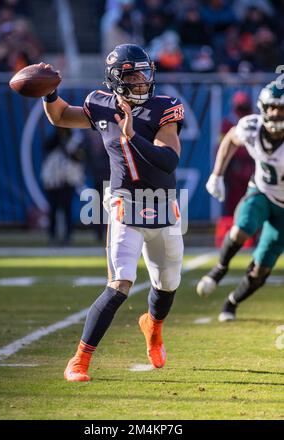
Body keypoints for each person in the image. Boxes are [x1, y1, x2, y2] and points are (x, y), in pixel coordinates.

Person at [41, 43, 184, 381]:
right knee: (119, 283)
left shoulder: (164, 107)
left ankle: (152, 325)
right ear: (116, 80)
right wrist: (50, 93)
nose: (141, 82)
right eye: (133, 75)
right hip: (124, 203)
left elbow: (169, 160)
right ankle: (79, 360)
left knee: (166, 285)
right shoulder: (100, 104)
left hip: (163, 205)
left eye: (144, 73)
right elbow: (61, 116)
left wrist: (132, 135)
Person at [196, 81, 284, 322]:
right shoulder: (251, 127)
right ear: (263, 108)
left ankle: (231, 302)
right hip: (262, 193)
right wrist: (217, 174)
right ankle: (219, 269)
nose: (277, 113)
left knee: (261, 269)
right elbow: (230, 140)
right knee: (241, 228)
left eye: (282, 109)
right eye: (273, 107)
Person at [41, 127, 85, 246]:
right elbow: (46, 147)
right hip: (52, 180)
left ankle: (68, 236)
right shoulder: (55, 138)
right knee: (53, 209)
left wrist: (67, 144)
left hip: (67, 180)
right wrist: (59, 137)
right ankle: (52, 235)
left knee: (67, 210)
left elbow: (78, 157)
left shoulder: (76, 139)